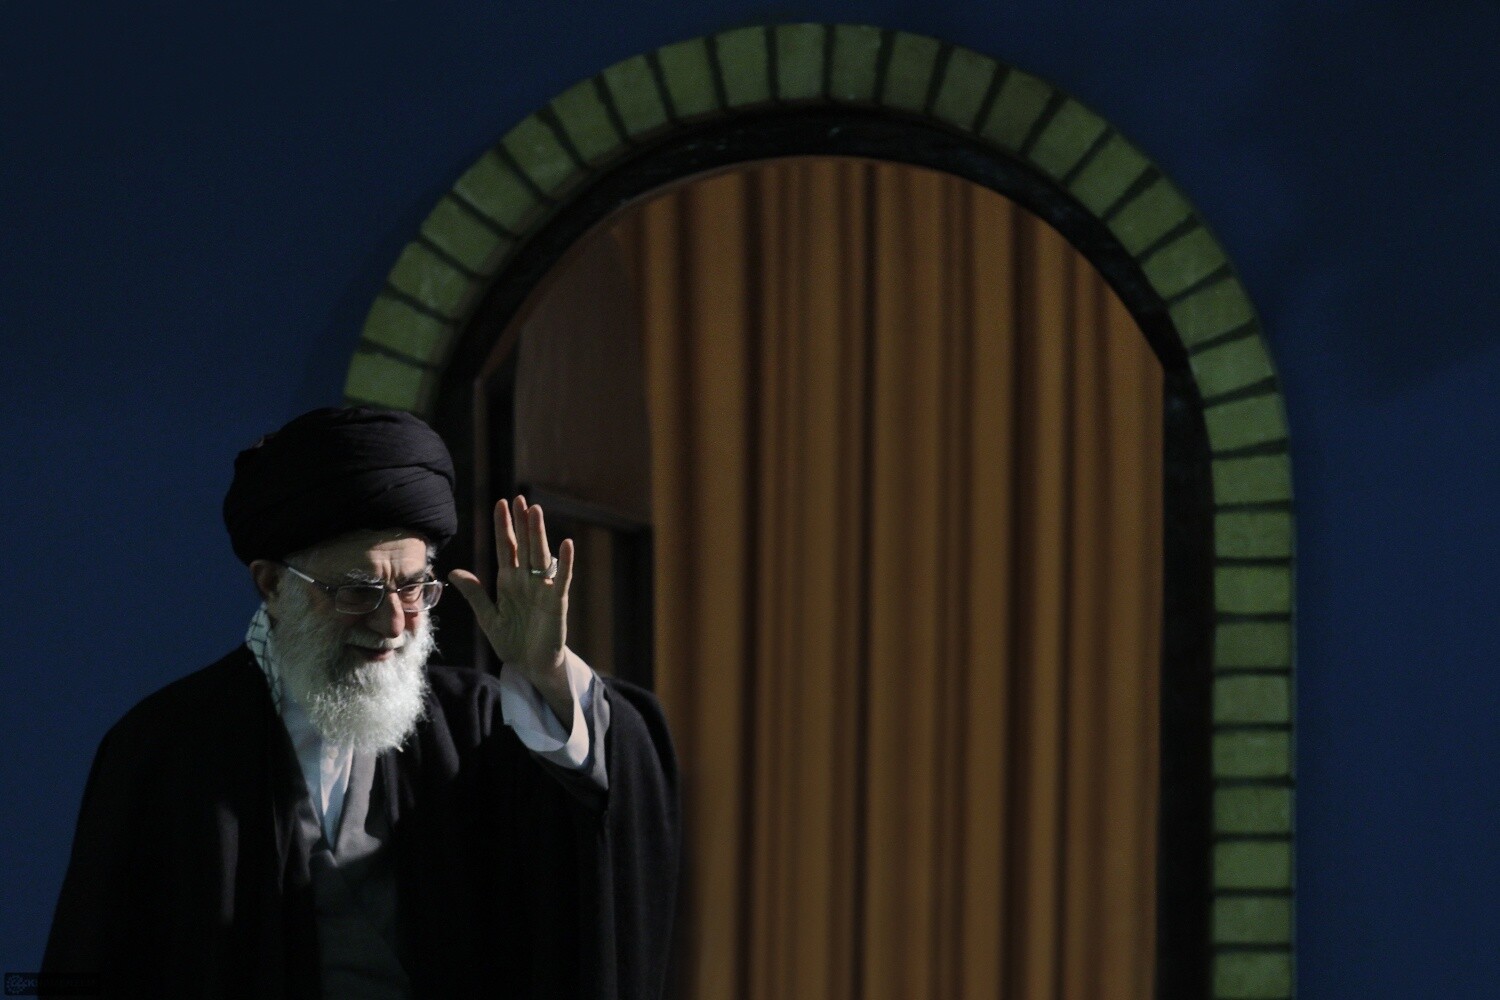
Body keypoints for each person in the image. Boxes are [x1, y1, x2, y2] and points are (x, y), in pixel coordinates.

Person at [42, 406, 679, 999]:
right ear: (272, 584)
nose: (393, 622)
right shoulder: (164, 748)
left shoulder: (476, 725)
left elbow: (607, 821)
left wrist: (547, 672)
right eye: (357, 591)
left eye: (413, 588)